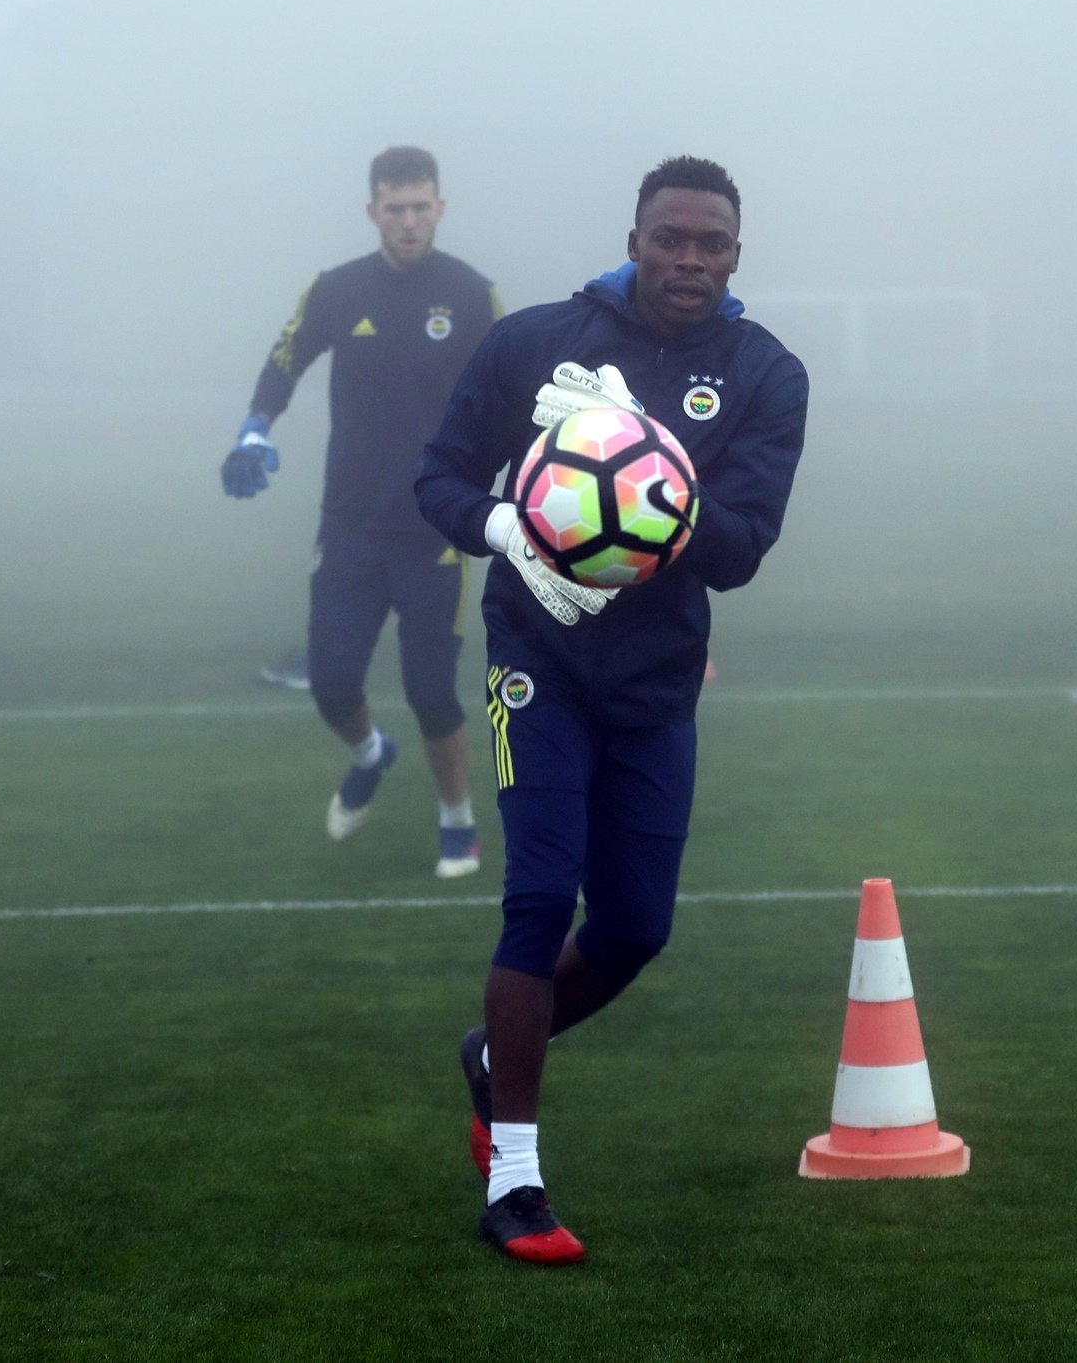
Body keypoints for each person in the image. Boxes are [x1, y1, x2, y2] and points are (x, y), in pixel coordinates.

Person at [415, 156, 808, 1263]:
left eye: (711, 245)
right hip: (536, 658)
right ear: (634, 238)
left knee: (635, 928)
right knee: (539, 896)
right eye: (669, 238)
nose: (687, 261)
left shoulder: (767, 374)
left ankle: (493, 1060)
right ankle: (518, 1180)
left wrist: (650, 480)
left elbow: (740, 553)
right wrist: (505, 528)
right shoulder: (535, 342)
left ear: (737, 254)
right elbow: (438, 477)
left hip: (656, 682)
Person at [222, 146, 502, 878]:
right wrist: (256, 427)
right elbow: (284, 360)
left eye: (420, 207)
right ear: (373, 210)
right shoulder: (337, 291)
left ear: (439, 208)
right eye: (395, 207)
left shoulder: (473, 295)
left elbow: (511, 389)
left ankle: (456, 818)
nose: (409, 220)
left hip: (434, 529)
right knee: (333, 682)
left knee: (431, 690)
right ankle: (372, 753)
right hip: (347, 523)